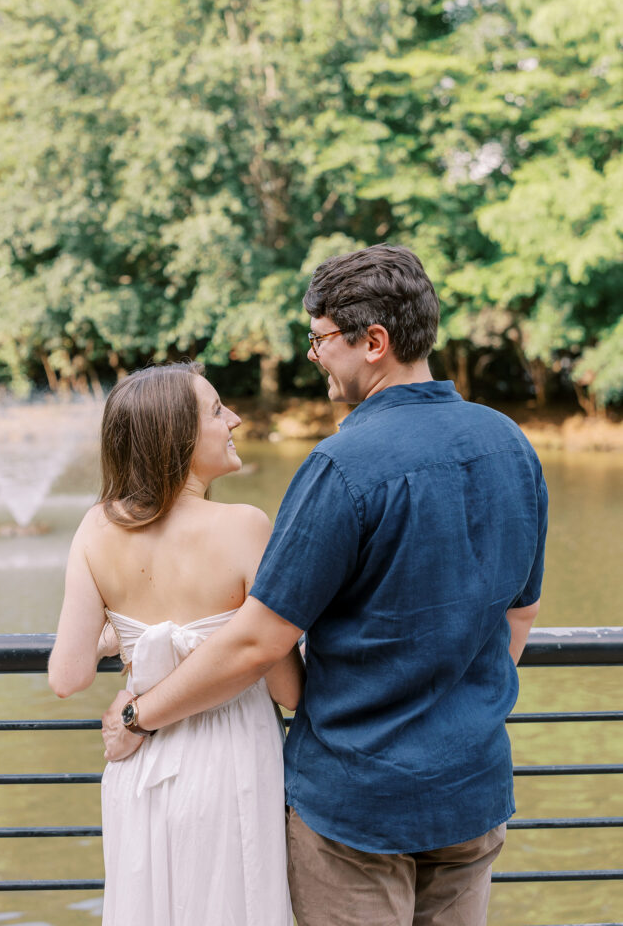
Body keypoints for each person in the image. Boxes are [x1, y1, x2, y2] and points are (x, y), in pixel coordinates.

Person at [101, 245, 547, 926]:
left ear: (374, 342)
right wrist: (450, 713)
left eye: (319, 339)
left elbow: (258, 641)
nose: (312, 354)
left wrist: (140, 714)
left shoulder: (342, 466)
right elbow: (520, 615)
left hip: (354, 804)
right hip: (470, 789)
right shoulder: (509, 444)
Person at [48, 363, 302, 926]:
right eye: (216, 410)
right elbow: (287, 688)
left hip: (139, 759)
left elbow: (67, 676)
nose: (233, 418)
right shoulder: (245, 525)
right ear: (177, 437)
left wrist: (126, 632)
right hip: (234, 756)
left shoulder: (95, 528)